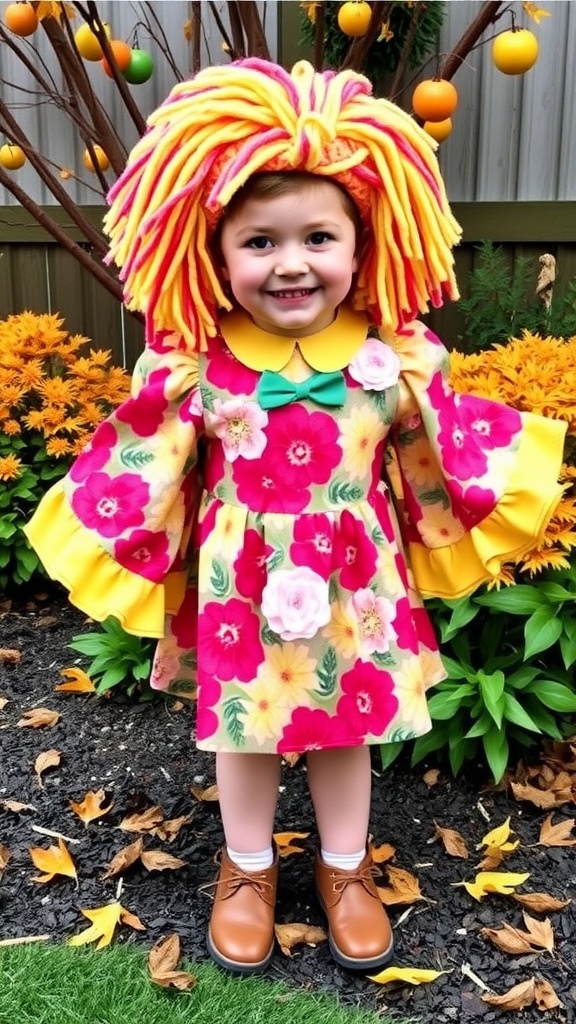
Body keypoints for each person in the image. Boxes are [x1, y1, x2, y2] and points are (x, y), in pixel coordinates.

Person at [25, 58, 566, 975]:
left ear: (362, 246)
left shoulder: (394, 358)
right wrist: (119, 537)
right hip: (244, 580)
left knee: (345, 724)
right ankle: (246, 868)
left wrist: (493, 487)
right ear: (216, 253)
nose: (291, 263)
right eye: (260, 242)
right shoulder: (197, 366)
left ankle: (346, 870)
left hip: (355, 580)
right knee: (246, 726)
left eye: (318, 237)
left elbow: (443, 461)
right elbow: (147, 467)